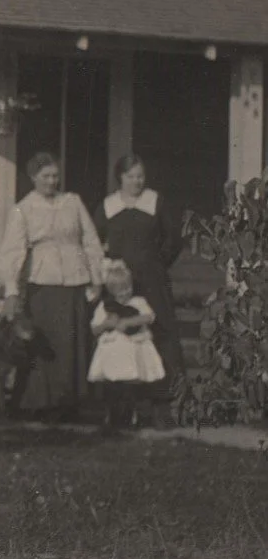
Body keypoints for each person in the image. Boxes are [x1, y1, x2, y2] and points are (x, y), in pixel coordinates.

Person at [0, 151, 104, 422]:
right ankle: (40, 404)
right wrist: (11, 289)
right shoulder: (24, 208)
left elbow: (90, 241)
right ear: (33, 177)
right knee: (45, 345)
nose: (52, 181)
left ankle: (70, 404)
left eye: (55, 176)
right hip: (42, 284)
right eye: (45, 176)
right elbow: (12, 251)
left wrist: (97, 278)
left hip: (74, 281)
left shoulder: (73, 202)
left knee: (71, 343)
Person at [93, 154, 184, 429]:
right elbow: (94, 242)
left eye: (141, 175)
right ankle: (122, 407)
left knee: (160, 335)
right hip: (121, 284)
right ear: (119, 177)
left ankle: (161, 406)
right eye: (131, 176)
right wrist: (108, 268)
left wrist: (156, 264)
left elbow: (174, 238)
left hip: (152, 280)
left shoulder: (155, 202)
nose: (137, 181)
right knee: (121, 338)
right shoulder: (108, 206)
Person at [88, 259, 166, 433]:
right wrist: (107, 323)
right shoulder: (105, 306)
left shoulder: (138, 302)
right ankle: (113, 415)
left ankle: (136, 415)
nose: (124, 294)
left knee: (134, 385)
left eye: (127, 289)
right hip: (114, 352)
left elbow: (149, 317)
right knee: (114, 385)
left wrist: (128, 321)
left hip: (134, 349)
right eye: (119, 291)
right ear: (111, 290)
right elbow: (94, 328)